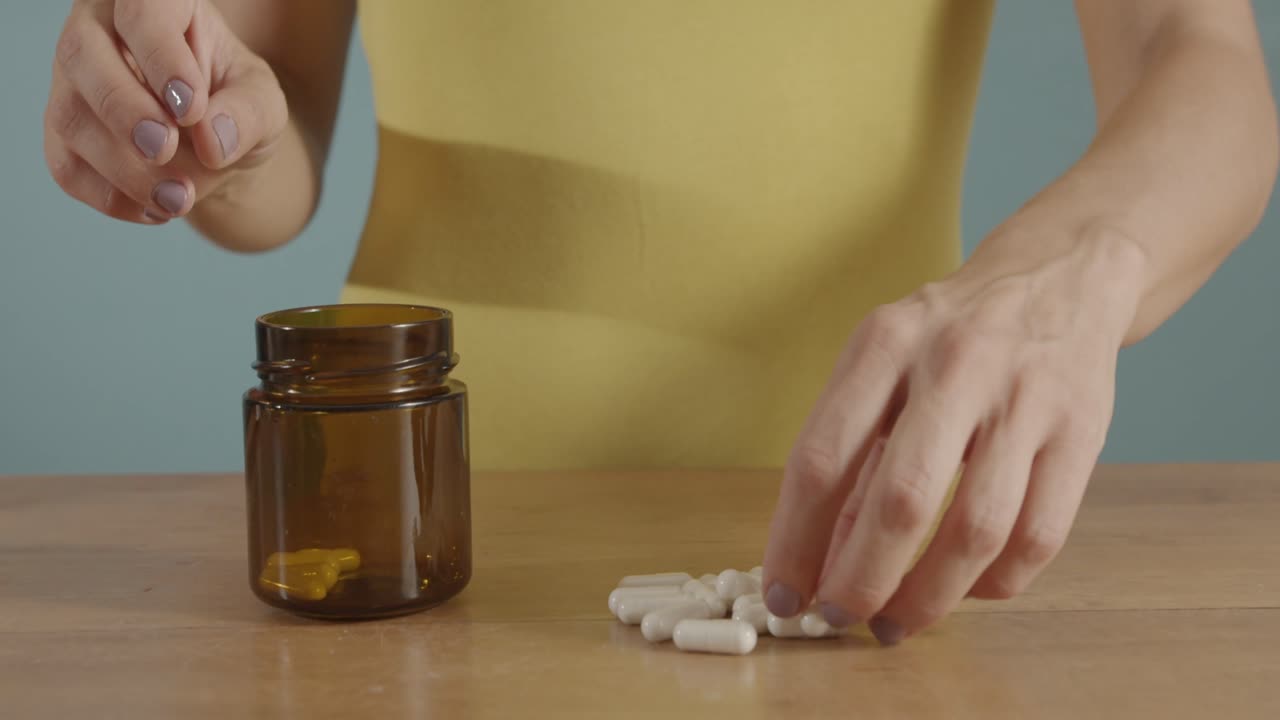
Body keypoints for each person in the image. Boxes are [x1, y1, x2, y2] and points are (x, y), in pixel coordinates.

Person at [43, 0, 1277, 646]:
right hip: (416, 534)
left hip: (865, 535)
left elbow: (1195, 51)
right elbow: (280, 115)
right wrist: (196, 122)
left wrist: (1068, 271)